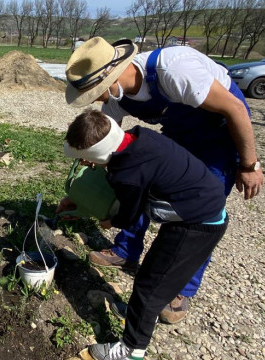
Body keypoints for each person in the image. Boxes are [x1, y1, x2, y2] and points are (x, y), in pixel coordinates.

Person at [64, 37, 264, 323]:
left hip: (219, 133)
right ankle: (126, 249)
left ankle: (181, 288)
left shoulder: (175, 71)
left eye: (95, 93)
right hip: (180, 132)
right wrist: (86, 192)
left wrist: (249, 164)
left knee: (202, 213)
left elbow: (235, 109)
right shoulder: (118, 98)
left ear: (113, 78)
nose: (96, 100)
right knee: (142, 178)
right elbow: (113, 151)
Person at [61, 109, 228, 360]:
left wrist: (108, 221)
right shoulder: (137, 138)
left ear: (98, 155)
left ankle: (131, 349)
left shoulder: (128, 175)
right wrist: (77, 199)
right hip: (195, 205)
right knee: (155, 271)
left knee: (150, 286)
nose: (85, 164)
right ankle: (141, 314)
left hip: (198, 223)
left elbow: (127, 216)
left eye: (86, 159)